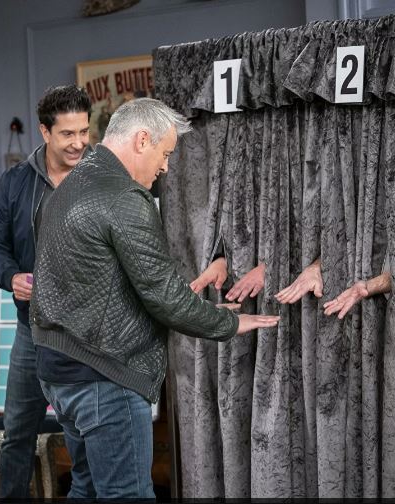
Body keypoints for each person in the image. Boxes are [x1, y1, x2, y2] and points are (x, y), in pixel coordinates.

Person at [30, 98, 280, 499]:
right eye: (164, 154)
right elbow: (165, 298)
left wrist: (197, 308)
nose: (165, 167)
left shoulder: (66, 187)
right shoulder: (123, 197)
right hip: (104, 375)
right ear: (141, 140)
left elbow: (103, 284)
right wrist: (230, 322)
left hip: (58, 371)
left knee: (86, 489)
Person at [0, 85, 91, 499]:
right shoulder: (15, 182)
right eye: (67, 134)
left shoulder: (101, 177)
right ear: (45, 131)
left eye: (84, 131)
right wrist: (12, 277)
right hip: (32, 333)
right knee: (17, 433)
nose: (78, 142)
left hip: (86, 336)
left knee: (83, 437)